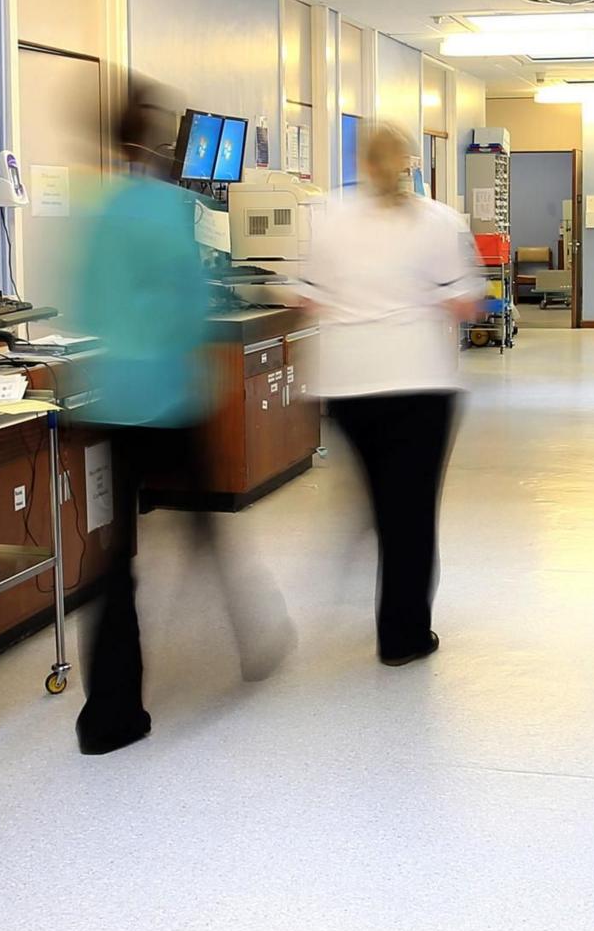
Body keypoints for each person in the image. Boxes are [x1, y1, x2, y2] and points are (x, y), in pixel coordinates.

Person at [69, 85, 290, 755]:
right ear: (162, 142)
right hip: (167, 394)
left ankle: (111, 712)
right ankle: (254, 637)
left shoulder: (100, 211)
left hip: (111, 396)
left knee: (113, 558)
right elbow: (192, 301)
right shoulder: (171, 209)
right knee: (206, 528)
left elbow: (82, 301)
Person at [304, 122, 484, 666]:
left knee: (388, 501)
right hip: (418, 383)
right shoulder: (441, 221)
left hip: (349, 388)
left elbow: (310, 297)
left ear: (362, 163)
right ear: (409, 162)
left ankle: (375, 525)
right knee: (411, 513)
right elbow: (469, 303)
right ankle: (403, 636)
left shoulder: (330, 216)